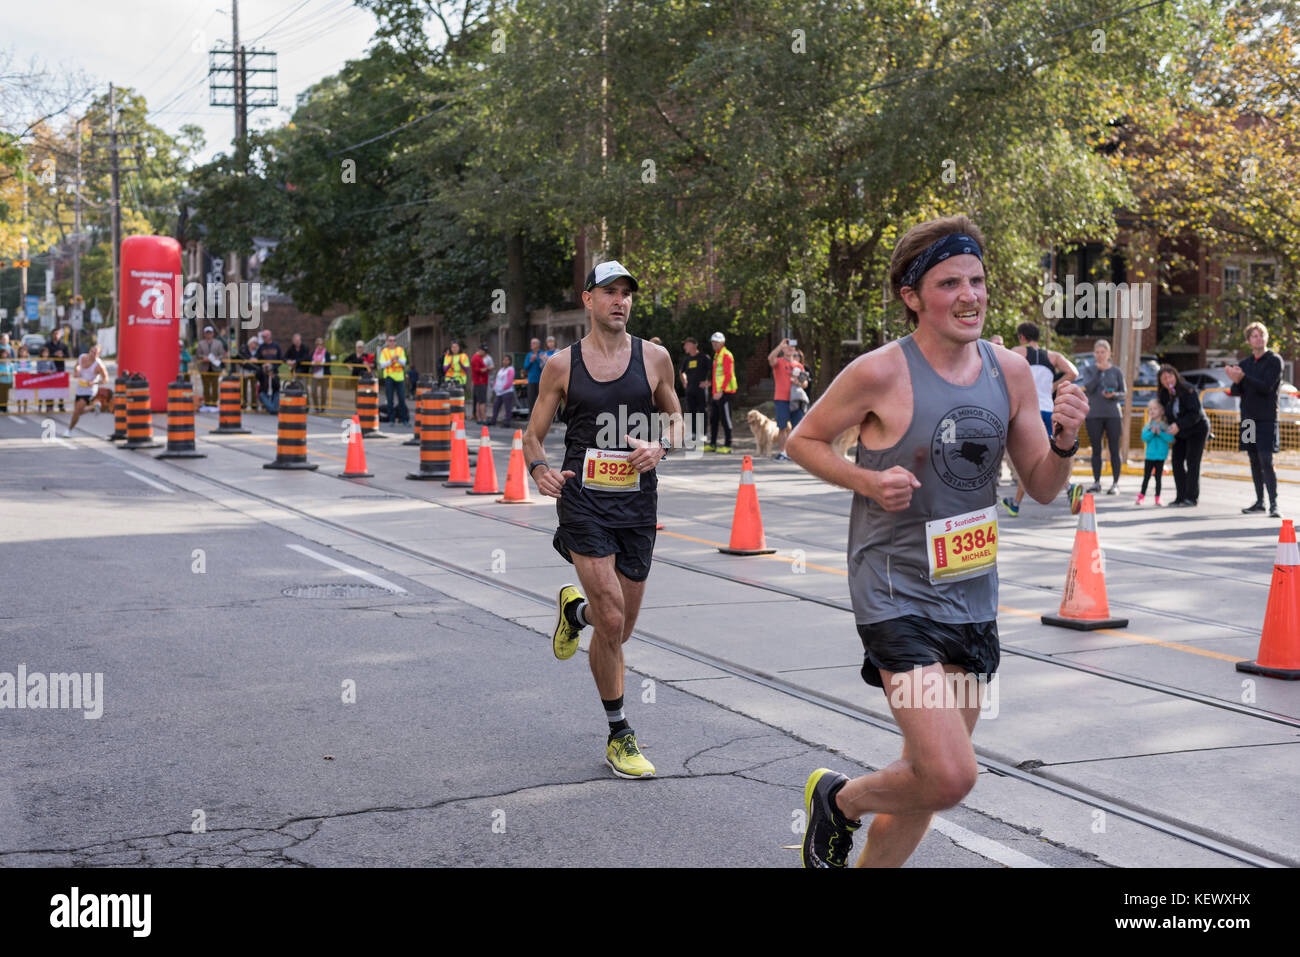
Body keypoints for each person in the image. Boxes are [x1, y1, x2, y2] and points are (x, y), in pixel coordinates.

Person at [785, 215, 1087, 868]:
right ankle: (839, 800)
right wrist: (866, 479)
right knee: (951, 774)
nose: (970, 295)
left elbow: (1040, 484)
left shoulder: (1007, 371)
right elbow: (801, 439)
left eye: (977, 280)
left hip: (972, 594)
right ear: (913, 296)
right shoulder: (880, 372)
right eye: (950, 282)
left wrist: (1064, 439)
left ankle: (847, 824)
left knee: (926, 778)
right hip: (896, 595)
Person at [523, 260, 683, 780]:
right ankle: (620, 734)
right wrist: (539, 468)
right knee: (613, 617)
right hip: (583, 501)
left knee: (621, 627)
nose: (621, 300)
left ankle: (576, 615)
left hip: (637, 504)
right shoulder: (561, 365)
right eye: (609, 292)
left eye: (627, 293)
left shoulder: (656, 358)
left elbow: (680, 422)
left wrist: (661, 445)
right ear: (587, 299)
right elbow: (532, 435)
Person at [999, 321, 1078, 516]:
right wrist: (1055, 385)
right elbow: (1073, 372)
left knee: (1030, 463)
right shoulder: (1052, 356)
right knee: (1045, 459)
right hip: (1049, 411)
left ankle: (1069, 488)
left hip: (1029, 411)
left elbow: (1000, 366)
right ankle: (1017, 503)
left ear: (1022, 337)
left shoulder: (1018, 351)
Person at [1228, 322, 1282, 517]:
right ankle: (1260, 502)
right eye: (1254, 336)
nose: (1258, 338)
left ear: (1266, 338)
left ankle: (1274, 503)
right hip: (1248, 420)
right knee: (1253, 459)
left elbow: (1267, 386)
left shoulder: (1274, 360)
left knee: (1266, 459)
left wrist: (1243, 378)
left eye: (1261, 335)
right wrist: (1235, 379)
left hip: (1266, 419)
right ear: (1249, 340)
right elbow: (1236, 390)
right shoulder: (1245, 364)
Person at [1077, 339, 1127, 494]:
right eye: (1097, 352)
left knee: (1113, 448)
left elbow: (1123, 393)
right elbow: (1089, 387)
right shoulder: (1089, 370)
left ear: (1109, 353)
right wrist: (1099, 372)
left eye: (1103, 352)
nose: (1100, 355)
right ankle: (1096, 482)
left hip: (1113, 414)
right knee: (1096, 449)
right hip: (1094, 414)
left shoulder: (1116, 371)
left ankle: (1115, 483)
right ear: (1094, 353)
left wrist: (1113, 395)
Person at [1157, 364, 1210, 507]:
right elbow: (1165, 413)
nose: (1168, 380)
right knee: (1177, 462)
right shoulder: (1164, 394)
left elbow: (1195, 413)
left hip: (1196, 428)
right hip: (1179, 431)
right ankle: (1180, 496)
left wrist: (1179, 425)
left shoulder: (1188, 389)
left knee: (1192, 462)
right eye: (1164, 378)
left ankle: (1191, 497)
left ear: (1176, 376)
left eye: (1170, 376)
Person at [64, 345, 110, 436]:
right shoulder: (82, 357)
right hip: (80, 387)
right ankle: (94, 406)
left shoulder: (99, 365)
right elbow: (77, 366)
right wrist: (76, 371)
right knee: (78, 411)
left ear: (98, 355)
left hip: (89, 390)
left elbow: (106, 379)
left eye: (95, 353)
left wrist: (94, 383)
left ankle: (69, 431)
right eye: (92, 351)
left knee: (76, 412)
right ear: (89, 350)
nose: (92, 354)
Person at [768, 337, 802, 461]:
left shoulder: (798, 365)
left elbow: (805, 384)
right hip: (781, 398)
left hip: (795, 400)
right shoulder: (779, 362)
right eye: (787, 347)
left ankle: (794, 452)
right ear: (783, 350)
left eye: (792, 347)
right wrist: (780, 346)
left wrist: (798, 382)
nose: (790, 349)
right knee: (782, 427)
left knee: (797, 427)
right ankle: (783, 452)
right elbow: (770, 359)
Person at [706, 331, 737, 453]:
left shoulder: (726, 355)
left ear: (723, 343)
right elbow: (717, 375)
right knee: (713, 419)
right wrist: (713, 388)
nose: (714, 344)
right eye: (713, 342)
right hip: (716, 393)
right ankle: (713, 444)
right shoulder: (716, 355)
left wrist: (721, 391)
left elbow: (728, 374)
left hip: (725, 392)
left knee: (726, 419)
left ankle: (728, 445)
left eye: (717, 342)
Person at [1137, 398, 1172, 506]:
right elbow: (1144, 437)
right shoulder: (1148, 426)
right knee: (1146, 477)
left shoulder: (1165, 426)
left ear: (1161, 411)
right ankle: (1141, 496)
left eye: (1155, 408)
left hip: (1161, 456)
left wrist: (1160, 433)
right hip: (1150, 456)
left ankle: (1158, 497)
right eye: (1150, 409)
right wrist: (1152, 433)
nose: (1152, 411)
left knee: (1158, 478)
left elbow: (1170, 438)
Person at [679, 337, 711, 444]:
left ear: (693, 345)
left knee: (702, 411)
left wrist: (709, 382)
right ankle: (692, 433)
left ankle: (703, 434)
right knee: (690, 412)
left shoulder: (704, 358)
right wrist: (684, 381)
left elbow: (714, 370)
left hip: (701, 390)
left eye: (686, 344)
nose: (684, 347)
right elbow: (681, 371)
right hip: (690, 390)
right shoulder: (686, 359)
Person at [377, 333, 409, 425]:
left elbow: (404, 363)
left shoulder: (400, 350)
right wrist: (391, 360)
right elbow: (382, 365)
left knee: (402, 399)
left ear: (396, 342)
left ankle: (403, 420)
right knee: (390, 399)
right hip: (389, 377)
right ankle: (391, 420)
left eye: (393, 340)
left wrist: (397, 359)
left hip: (399, 377)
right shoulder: (384, 351)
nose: (392, 342)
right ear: (387, 342)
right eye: (390, 340)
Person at [194, 325, 226, 409]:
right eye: (207, 333)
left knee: (215, 386)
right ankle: (207, 402)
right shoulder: (201, 343)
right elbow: (197, 354)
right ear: (205, 334)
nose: (209, 334)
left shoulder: (218, 343)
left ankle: (214, 403)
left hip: (215, 368)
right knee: (206, 386)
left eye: (210, 333)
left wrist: (217, 358)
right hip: (204, 368)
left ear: (213, 334)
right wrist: (203, 357)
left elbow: (222, 354)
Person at [254, 330, 284, 413]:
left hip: (274, 372)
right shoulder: (261, 347)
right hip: (264, 373)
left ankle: (273, 409)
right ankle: (273, 409)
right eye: (263, 337)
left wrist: (273, 369)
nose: (264, 339)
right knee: (262, 393)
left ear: (269, 336)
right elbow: (257, 358)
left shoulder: (276, 346)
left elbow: (281, 359)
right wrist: (263, 366)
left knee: (276, 390)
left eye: (265, 337)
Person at [490, 354, 516, 426]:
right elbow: (497, 379)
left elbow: (509, 381)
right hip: (499, 392)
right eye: (504, 360)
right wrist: (494, 387)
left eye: (506, 360)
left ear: (510, 362)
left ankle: (507, 422)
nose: (504, 361)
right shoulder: (501, 370)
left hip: (506, 392)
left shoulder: (511, 369)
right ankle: (493, 420)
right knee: (495, 406)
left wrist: (503, 388)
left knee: (507, 407)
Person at [308, 337, 332, 413]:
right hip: (315, 374)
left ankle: (322, 408)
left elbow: (329, 363)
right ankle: (316, 407)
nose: (320, 345)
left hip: (324, 375)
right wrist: (313, 363)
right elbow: (309, 361)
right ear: (316, 345)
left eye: (321, 344)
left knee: (323, 392)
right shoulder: (313, 353)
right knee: (313, 391)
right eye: (318, 344)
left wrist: (322, 363)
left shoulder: (326, 353)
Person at [49, 329, 70, 411]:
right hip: (50, 369)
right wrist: (53, 355)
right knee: (51, 388)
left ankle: (61, 405)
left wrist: (62, 355)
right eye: (54, 334)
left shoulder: (63, 345)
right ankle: (50, 405)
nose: (56, 336)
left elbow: (68, 356)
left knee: (61, 388)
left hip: (61, 368)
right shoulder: (48, 345)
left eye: (57, 334)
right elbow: (44, 355)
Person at [470, 345, 491, 424]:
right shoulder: (476, 358)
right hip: (480, 382)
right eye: (484, 352)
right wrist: (488, 368)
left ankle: (479, 418)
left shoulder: (478, 358)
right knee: (482, 401)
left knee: (478, 401)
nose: (485, 354)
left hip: (480, 382)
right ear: (481, 350)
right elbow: (477, 370)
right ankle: (483, 418)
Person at [524, 338, 544, 412]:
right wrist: (531, 361)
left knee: (541, 399)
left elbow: (544, 366)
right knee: (531, 398)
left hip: (541, 380)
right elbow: (525, 367)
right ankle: (531, 415)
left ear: (538, 345)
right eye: (531, 343)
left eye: (534, 343)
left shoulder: (542, 353)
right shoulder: (529, 355)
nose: (532, 345)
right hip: (531, 380)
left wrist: (538, 359)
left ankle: (542, 414)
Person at [36, 346, 55, 413]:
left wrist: (51, 371)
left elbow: (54, 369)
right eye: (44, 353)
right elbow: (38, 370)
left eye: (46, 353)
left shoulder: (50, 360)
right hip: (42, 379)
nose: (45, 354)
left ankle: (49, 407)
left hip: (49, 380)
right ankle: (39, 407)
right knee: (41, 394)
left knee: (49, 394)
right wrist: (44, 371)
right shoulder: (39, 361)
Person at [0, 347, 11, 412]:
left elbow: (11, 369)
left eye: (5, 353)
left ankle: (5, 407)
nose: (4, 355)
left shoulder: (8, 361)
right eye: (3, 354)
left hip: (7, 380)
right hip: (1, 380)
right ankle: (1, 406)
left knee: (6, 394)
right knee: (1, 394)